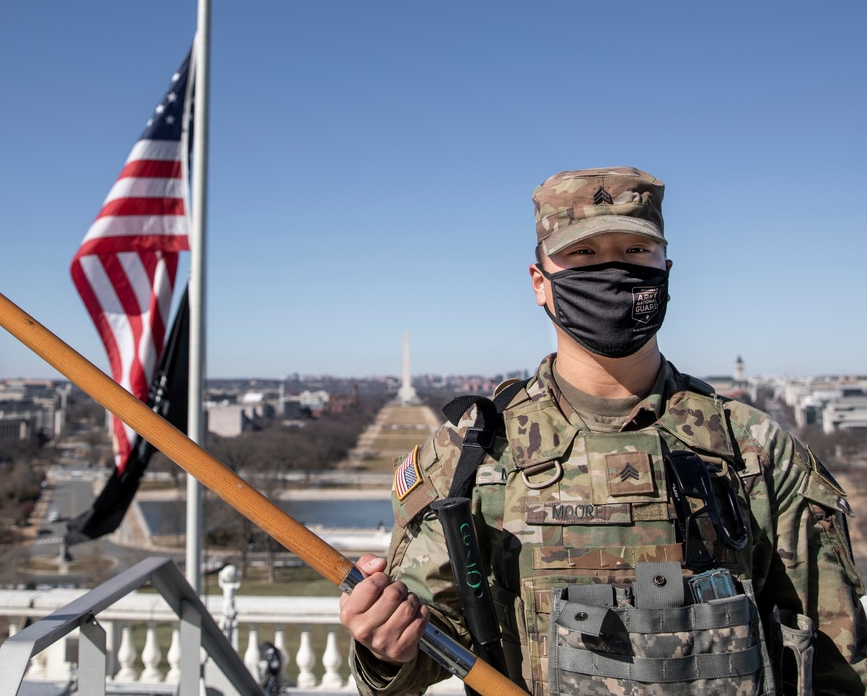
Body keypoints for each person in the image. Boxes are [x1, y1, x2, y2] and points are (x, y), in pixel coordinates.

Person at [340, 166, 867, 695]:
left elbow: (837, 662)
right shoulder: (472, 455)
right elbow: (431, 645)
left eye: (635, 252)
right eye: (584, 255)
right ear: (540, 283)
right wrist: (385, 646)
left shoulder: (755, 448)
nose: (612, 272)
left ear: (666, 271)